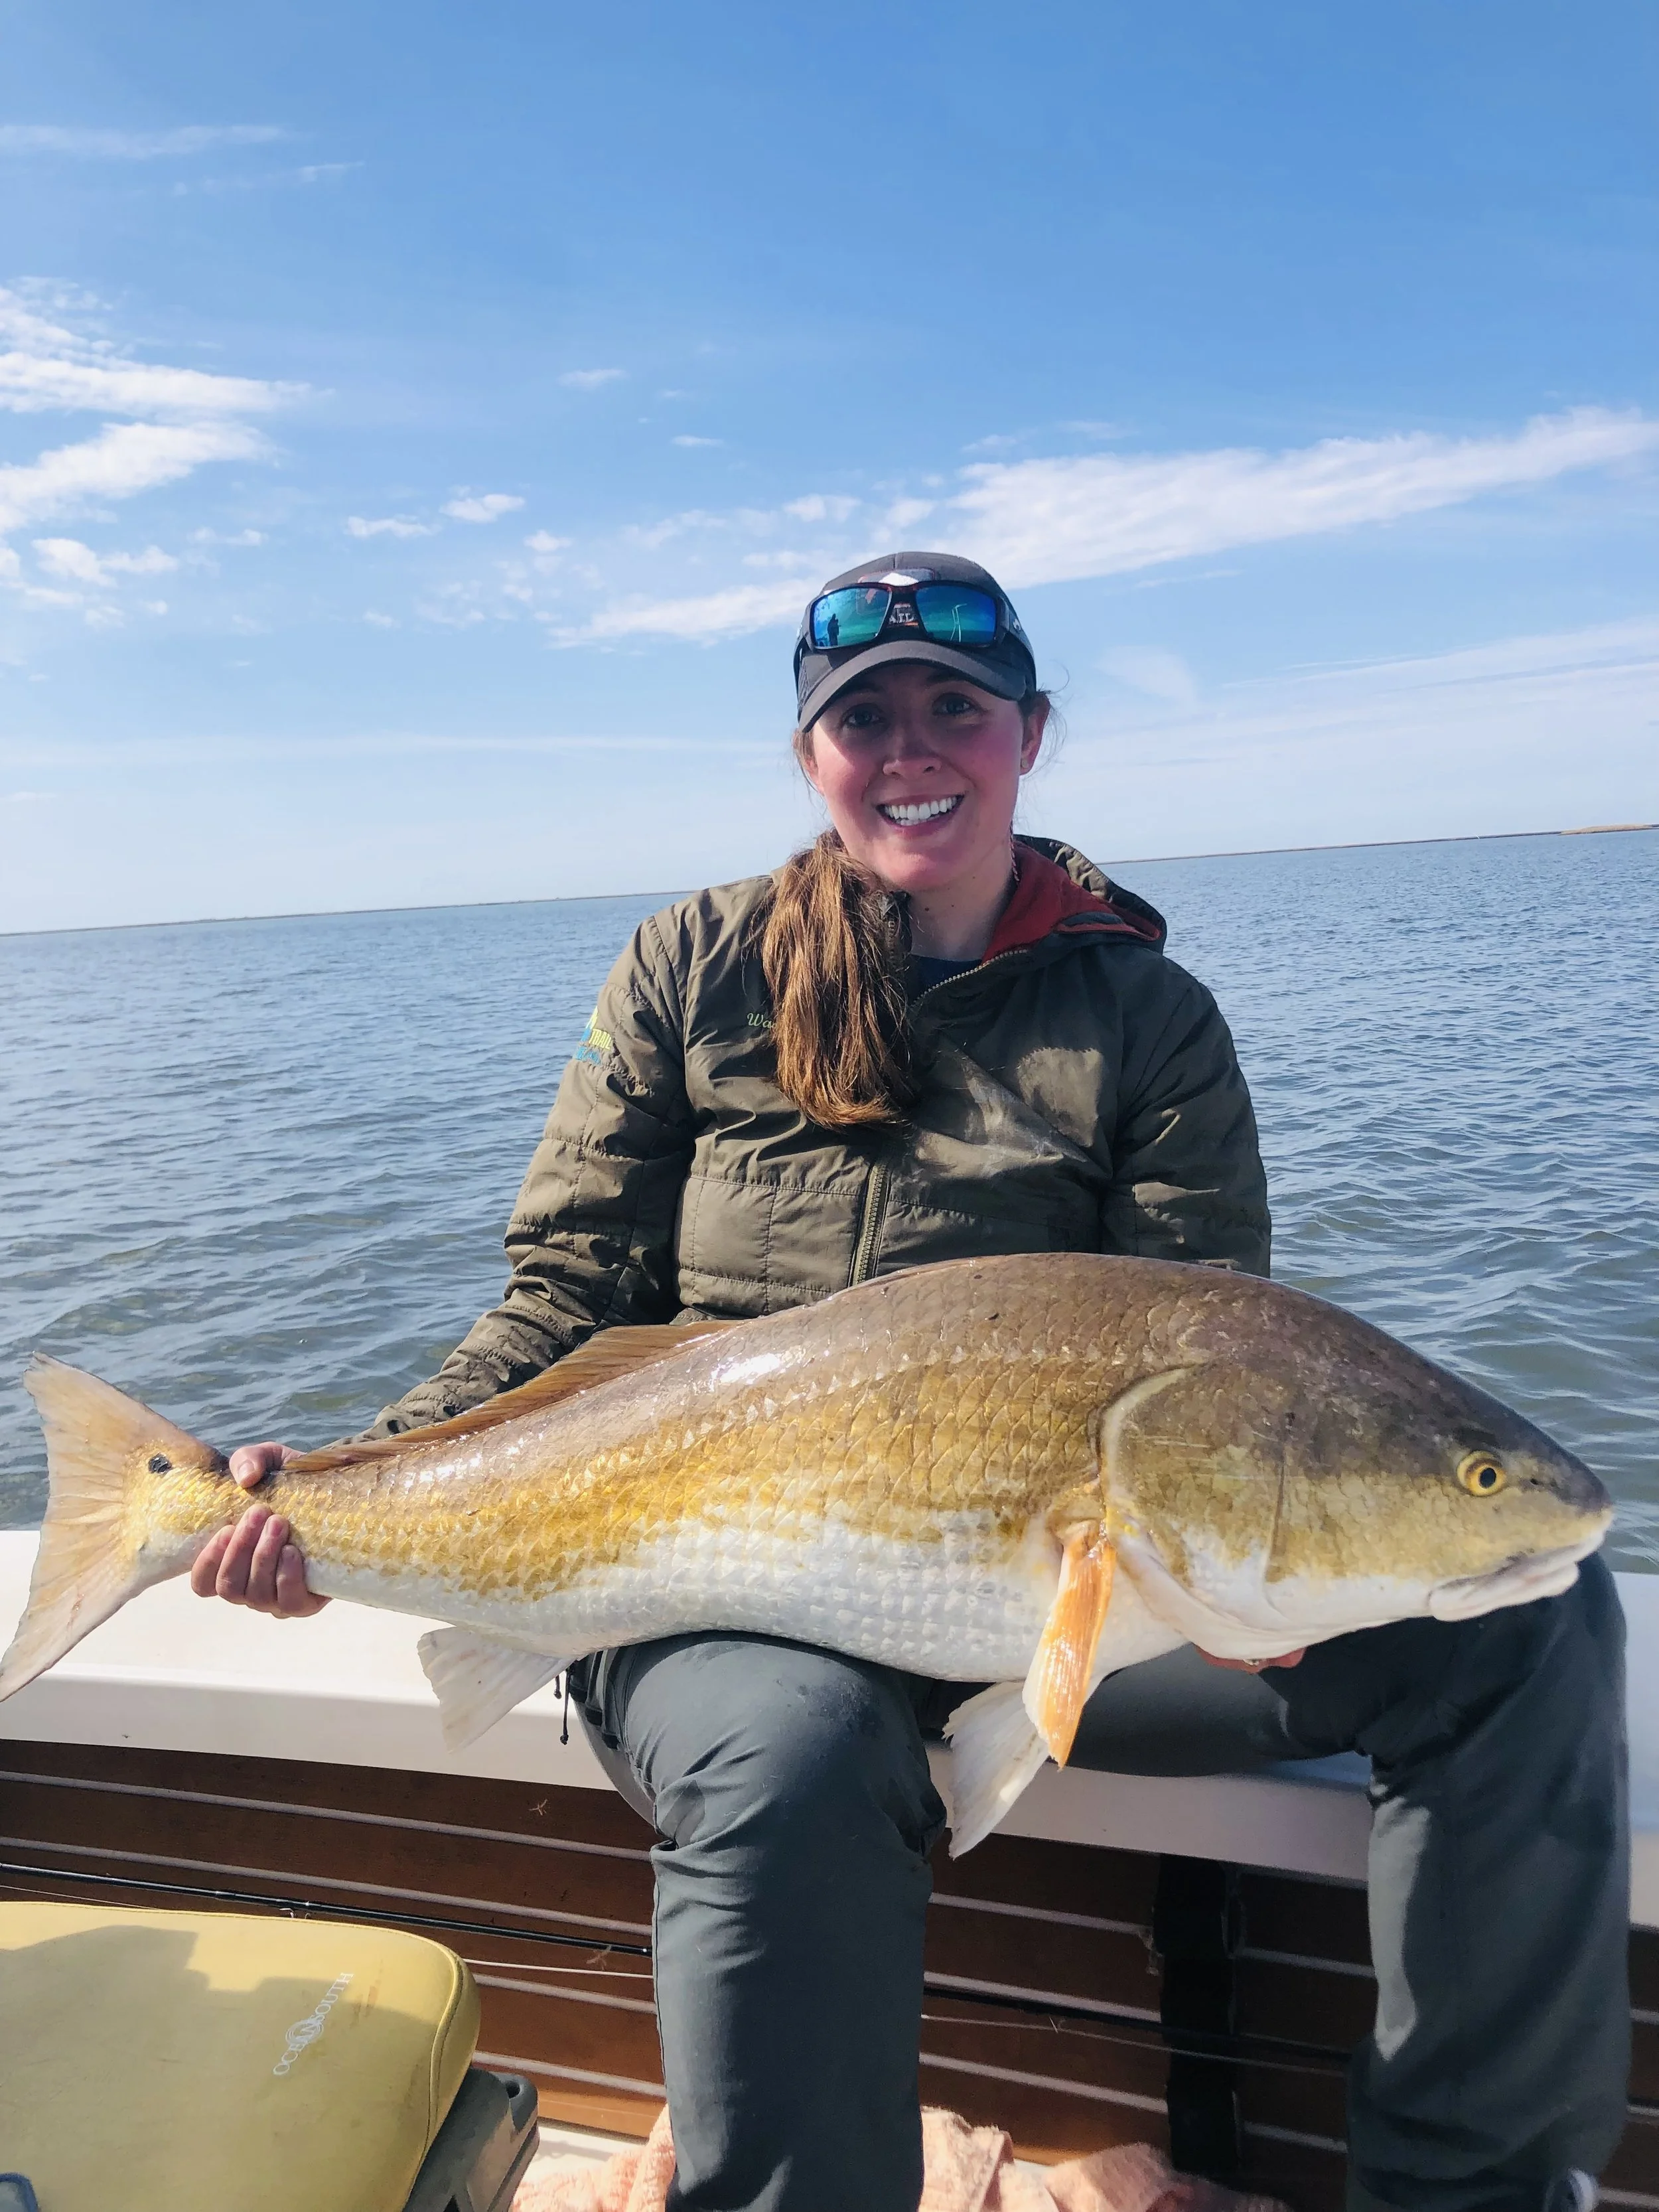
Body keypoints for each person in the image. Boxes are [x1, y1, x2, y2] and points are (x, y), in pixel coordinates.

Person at [194, 553, 1628, 2212]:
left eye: (954, 707)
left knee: (1531, 1625)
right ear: (811, 757)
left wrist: (1267, 1558)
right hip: (709, 1578)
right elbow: (564, 1292)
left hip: (1070, 1601)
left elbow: (1215, 1336)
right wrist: (344, 1482)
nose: (908, 748)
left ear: (1027, 731)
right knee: (790, 1750)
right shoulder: (690, 968)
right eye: (859, 717)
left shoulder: (1146, 1015)